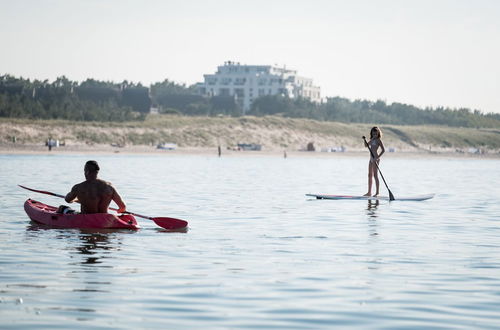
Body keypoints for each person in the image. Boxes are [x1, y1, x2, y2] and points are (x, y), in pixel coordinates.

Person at [59, 160, 127, 214]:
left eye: (84, 171)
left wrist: (78, 199)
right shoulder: (109, 187)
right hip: (104, 218)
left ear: (87, 172)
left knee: (62, 208)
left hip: (86, 218)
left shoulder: (78, 187)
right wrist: (119, 211)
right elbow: (122, 207)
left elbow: (68, 200)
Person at [363, 126, 385, 197]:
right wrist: (365, 140)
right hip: (371, 159)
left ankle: (377, 192)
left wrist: (377, 157)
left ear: (378, 133)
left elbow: (383, 150)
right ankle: (369, 192)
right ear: (372, 134)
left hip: (376, 158)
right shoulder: (372, 140)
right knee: (369, 175)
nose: (375, 135)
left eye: (376, 134)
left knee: (375, 175)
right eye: (373, 134)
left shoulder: (379, 140)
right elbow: (366, 146)